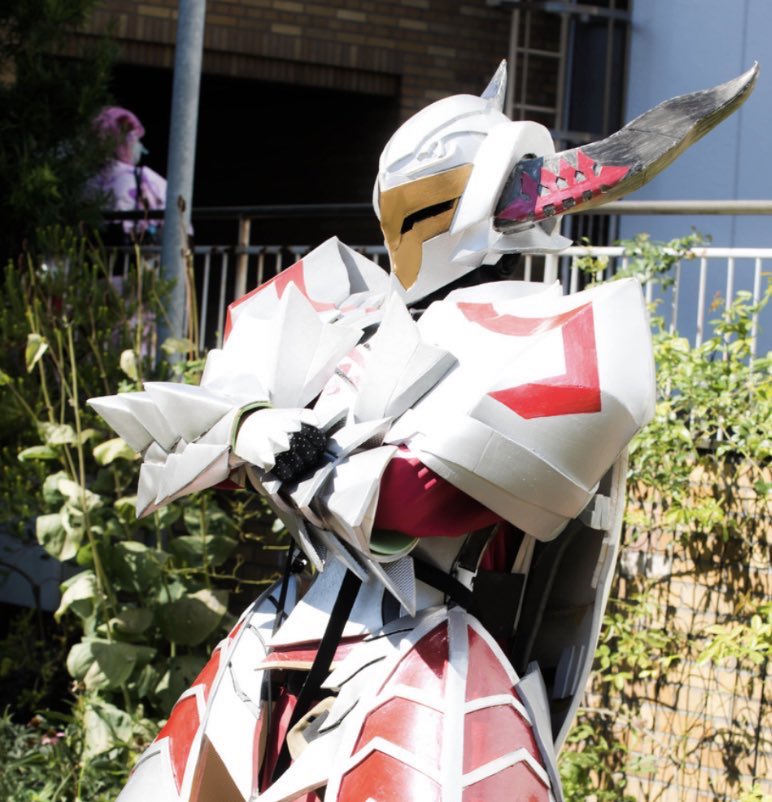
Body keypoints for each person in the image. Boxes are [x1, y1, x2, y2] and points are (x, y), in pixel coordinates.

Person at [90, 62, 757, 802]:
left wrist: (298, 461)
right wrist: (250, 428)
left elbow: (429, 500)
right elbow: (200, 437)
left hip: (427, 657)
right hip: (285, 630)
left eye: (426, 202)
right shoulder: (354, 314)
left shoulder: (559, 329)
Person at [91, 106, 167, 244]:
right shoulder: (145, 178)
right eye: (136, 139)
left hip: (87, 251)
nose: (139, 145)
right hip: (137, 251)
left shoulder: (81, 180)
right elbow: (181, 224)